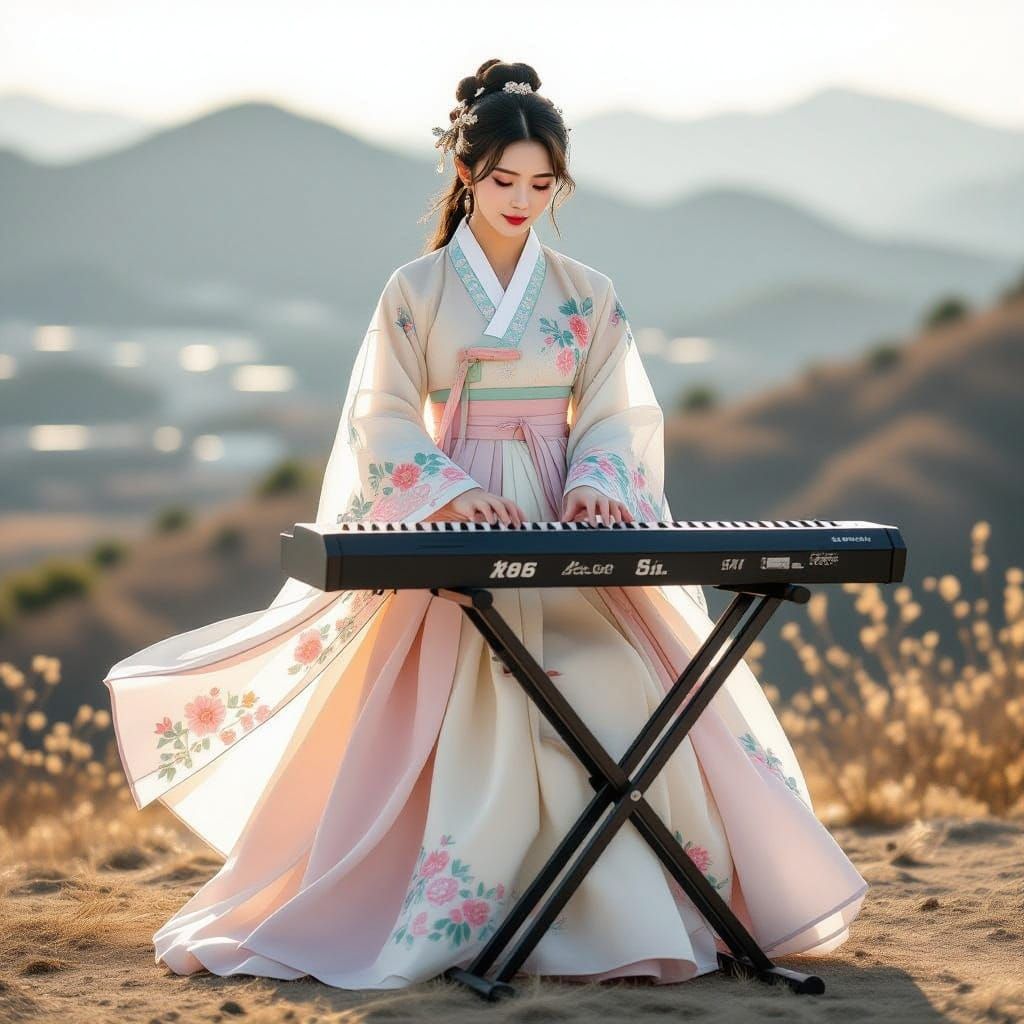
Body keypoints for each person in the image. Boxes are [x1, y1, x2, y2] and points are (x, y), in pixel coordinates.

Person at [101, 59, 867, 989]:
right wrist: (449, 490)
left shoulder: (586, 291)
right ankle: (459, 912)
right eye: (505, 180)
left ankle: (628, 913)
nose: (522, 201)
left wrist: (597, 482)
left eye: (542, 186)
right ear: (466, 173)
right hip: (460, 510)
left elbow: (616, 411)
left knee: (616, 689)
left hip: (560, 514)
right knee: (462, 704)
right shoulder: (416, 290)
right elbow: (381, 414)